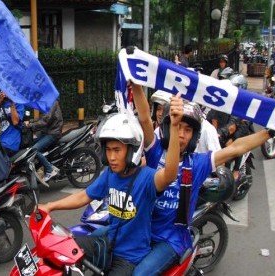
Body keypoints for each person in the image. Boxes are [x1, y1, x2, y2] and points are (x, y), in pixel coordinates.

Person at [131, 83, 275, 275]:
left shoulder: (198, 163)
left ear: (194, 136)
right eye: (178, 127)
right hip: (142, 228)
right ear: (168, 127)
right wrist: (136, 85)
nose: (181, 135)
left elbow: (236, 148)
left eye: (187, 130)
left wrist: (269, 132)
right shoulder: (154, 150)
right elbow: (144, 119)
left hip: (171, 239)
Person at [39, 95, 182, 275]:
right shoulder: (110, 174)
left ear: (131, 152)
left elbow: (170, 174)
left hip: (128, 258)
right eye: (108, 150)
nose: (112, 157)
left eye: (117, 150)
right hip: (108, 246)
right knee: (59, 248)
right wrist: (50, 206)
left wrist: (175, 127)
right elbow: (84, 196)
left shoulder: (147, 179)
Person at [24, 100, 63, 182]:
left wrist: (31, 125)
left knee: (34, 149)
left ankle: (50, 170)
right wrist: (31, 121)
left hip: (53, 133)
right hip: (47, 132)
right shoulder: (47, 102)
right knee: (30, 145)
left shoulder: (52, 102)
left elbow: (46, 120)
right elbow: (42, 118)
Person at [0, 90, 25, 156]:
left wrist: (12, 102)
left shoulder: (18, 104)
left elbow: (15, 122)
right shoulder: (2, 104)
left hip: (11, 143)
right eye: (1, 91)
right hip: (1, 141)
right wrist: (0, 101)